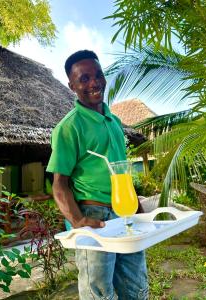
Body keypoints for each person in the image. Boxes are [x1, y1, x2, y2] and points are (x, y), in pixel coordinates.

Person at [47, 50, 148, 300]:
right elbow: (59, 185)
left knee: (136, 287)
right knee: (99, 293)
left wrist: (138, 209)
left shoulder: (114, 121)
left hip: (125, 213)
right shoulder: (69, 127)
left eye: (98, 75)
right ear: (72, 86)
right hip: (94, 218)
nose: (94, 82)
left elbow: (121, 171)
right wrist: (78, 220)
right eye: (84, 78)